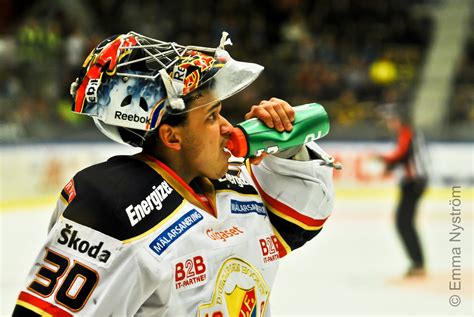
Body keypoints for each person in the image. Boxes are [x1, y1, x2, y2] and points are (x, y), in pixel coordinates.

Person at [12, 31, 335, 316]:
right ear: (171, 136)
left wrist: (289, 147)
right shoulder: (114, 205)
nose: (227, 127)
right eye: (212, 117)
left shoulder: (235, 181)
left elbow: (303, 221)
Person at [375, 103, 429, 278]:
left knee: (404, 223)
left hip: (414, 183)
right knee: (405, 223)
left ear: (397, 119)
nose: (389, 124)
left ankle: (418, 263)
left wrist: (384, 160)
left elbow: (401, 155)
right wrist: (388, 164)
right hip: (412, 183)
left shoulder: (407, 133)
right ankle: (417, 262)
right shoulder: (406, 133)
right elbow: (403, 157)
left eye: (390, 120)